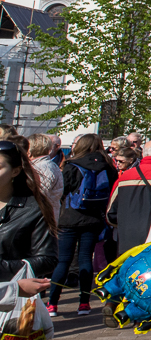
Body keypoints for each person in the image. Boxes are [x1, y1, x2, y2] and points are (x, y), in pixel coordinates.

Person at [0, 139, 57, 340]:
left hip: (4, 306)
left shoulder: (32, 208)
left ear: (14, 172)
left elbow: (47, 258)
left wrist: (5, 269)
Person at [49, 133, 115, 317]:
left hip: (70, 217)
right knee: (86, 258)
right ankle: (84, 303)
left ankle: (53, 303)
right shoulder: (107, 166)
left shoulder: (72, 164)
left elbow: (63, 190)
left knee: (64, 260)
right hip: (94, 218)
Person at [27, 135, 64, 221]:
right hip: (44, 215)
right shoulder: (48, 165)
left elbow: (39, 195)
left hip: (40, 217)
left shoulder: (42, 167)